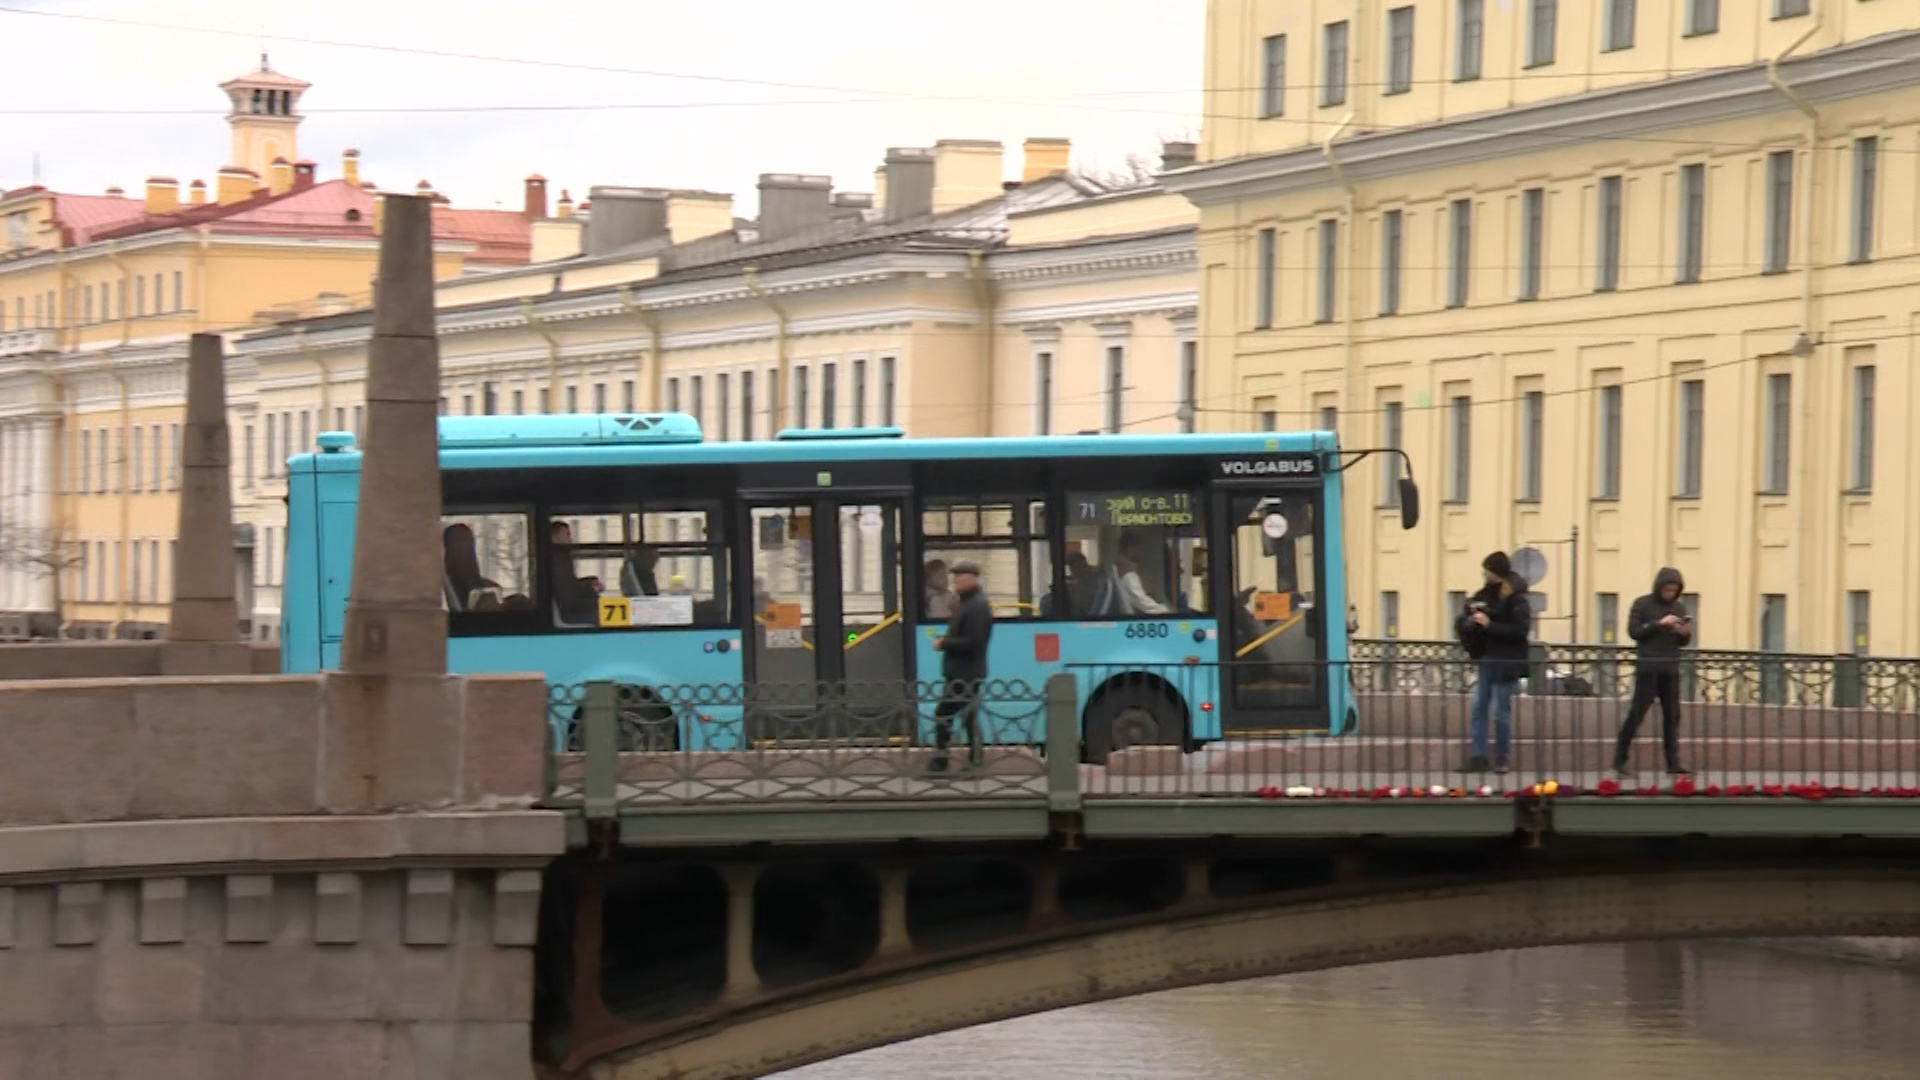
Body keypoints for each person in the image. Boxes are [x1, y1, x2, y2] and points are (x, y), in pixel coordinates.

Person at [1455, 551, 1532, 774]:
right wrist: (1469, 618)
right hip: (1487, 658)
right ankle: (1478, 757)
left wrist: (1490, 624)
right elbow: (1471, 622)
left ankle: (1502, 757)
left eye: (1487, 571)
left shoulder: (1516, 599)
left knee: (1501, 711)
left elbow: (1519, 630)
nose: (1484, 575)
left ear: (1496, 573)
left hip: (1506, 662)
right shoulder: (1484, 595)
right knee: (1479, 707)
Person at [1613, 567, 1693, 778]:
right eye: (1667, 589)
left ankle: (1672, 761)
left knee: (1672, 717)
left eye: (1674, 590)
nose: (1670, 594)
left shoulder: (1679, 607)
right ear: (1659, 587)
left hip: (1670, 668)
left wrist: (1683, 632)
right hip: (1648, 668)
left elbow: (1684, 641)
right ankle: (1620, 759)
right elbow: (1635, 631)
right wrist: (1659, 624)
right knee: (1637, 714)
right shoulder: (1642, 604)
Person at [928, 560, 992, 774]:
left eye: (960, 577)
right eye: (955, 577)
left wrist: (944, 643)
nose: (956, 581)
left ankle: (942, 762)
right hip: (960, 672)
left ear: (972, 579)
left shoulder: (977, 606)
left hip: (967, 673)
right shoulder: (966, 603)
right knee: (966, 716)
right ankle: (972, 761)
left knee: (945, 715)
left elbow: (974, 641)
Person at [441, 523, 499, 610]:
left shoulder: (488, 588)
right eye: (458, 542)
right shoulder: (439, 589)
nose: (464, 549)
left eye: (468, 543)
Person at [1115, 531, 1169, 615]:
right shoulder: (1128, 575)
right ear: (1130, 549)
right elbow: (1144, 604)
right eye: (1139, 549)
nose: (1142, 553)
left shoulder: (1119, 569)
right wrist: (1167, 611)